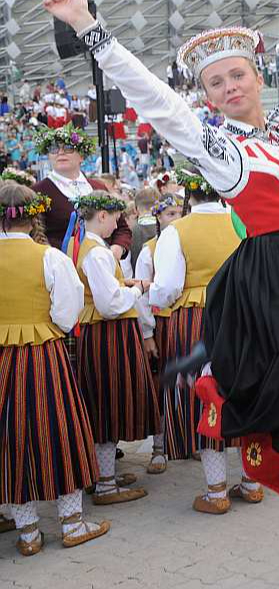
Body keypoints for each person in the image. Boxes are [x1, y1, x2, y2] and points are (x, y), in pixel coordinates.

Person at [41, 0, 279, 511]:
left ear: (257, 77)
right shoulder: (222, 150)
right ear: (206, 95)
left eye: (237, 75)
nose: (229, 87)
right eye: (215, 83)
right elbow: (155, 100)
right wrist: (88, 27)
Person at [0, 182, 110, 556]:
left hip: (2, 360)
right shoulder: (50, 258)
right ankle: (72, 523)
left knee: (10, 440)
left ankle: (28, 533)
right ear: (34, 216)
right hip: (44, 354)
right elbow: (67, 313)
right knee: (60, 432)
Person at [148, 169, 254, 514]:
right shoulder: (241, 223)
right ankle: (252, 483)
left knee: (206, 398)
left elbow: (166, 288)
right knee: (245, 392)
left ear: (189, 195)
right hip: (241, 315)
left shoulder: (177, 231)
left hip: (197, 319)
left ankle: (216, 490)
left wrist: (151, 296)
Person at [69, 193, 160, 507]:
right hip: (107, 334)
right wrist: (137, 289)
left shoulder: (87, 246)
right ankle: (106, 485)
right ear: (102, 216)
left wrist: (124, 285)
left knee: (104, 401)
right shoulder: (97, 253)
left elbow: (103, 291)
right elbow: (109, 305)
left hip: (99, 332)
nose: (118, 226)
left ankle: (102, 476)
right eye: (116, 219)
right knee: (108, 402)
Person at [133, 191, 184, 475]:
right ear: (158, 217)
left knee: (189, 381)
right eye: (169, 214)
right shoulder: (149, 249)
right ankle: (159, 447)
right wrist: (147, 333)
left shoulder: (188, 242)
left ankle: (188, 440)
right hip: (162, 324)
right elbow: (141, 294)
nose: (175, 219)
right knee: (161, 384)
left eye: (179, 213)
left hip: (185, 320)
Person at [31, 126, 132, 255]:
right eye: (54, 148)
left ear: (81, 156)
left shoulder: (98, 186)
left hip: (104, 261)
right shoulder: (38, 191)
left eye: (68, 147)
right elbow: (34, 235)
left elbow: (122, 228)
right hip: (62, 264)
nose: (60, 152)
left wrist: (117, 249)